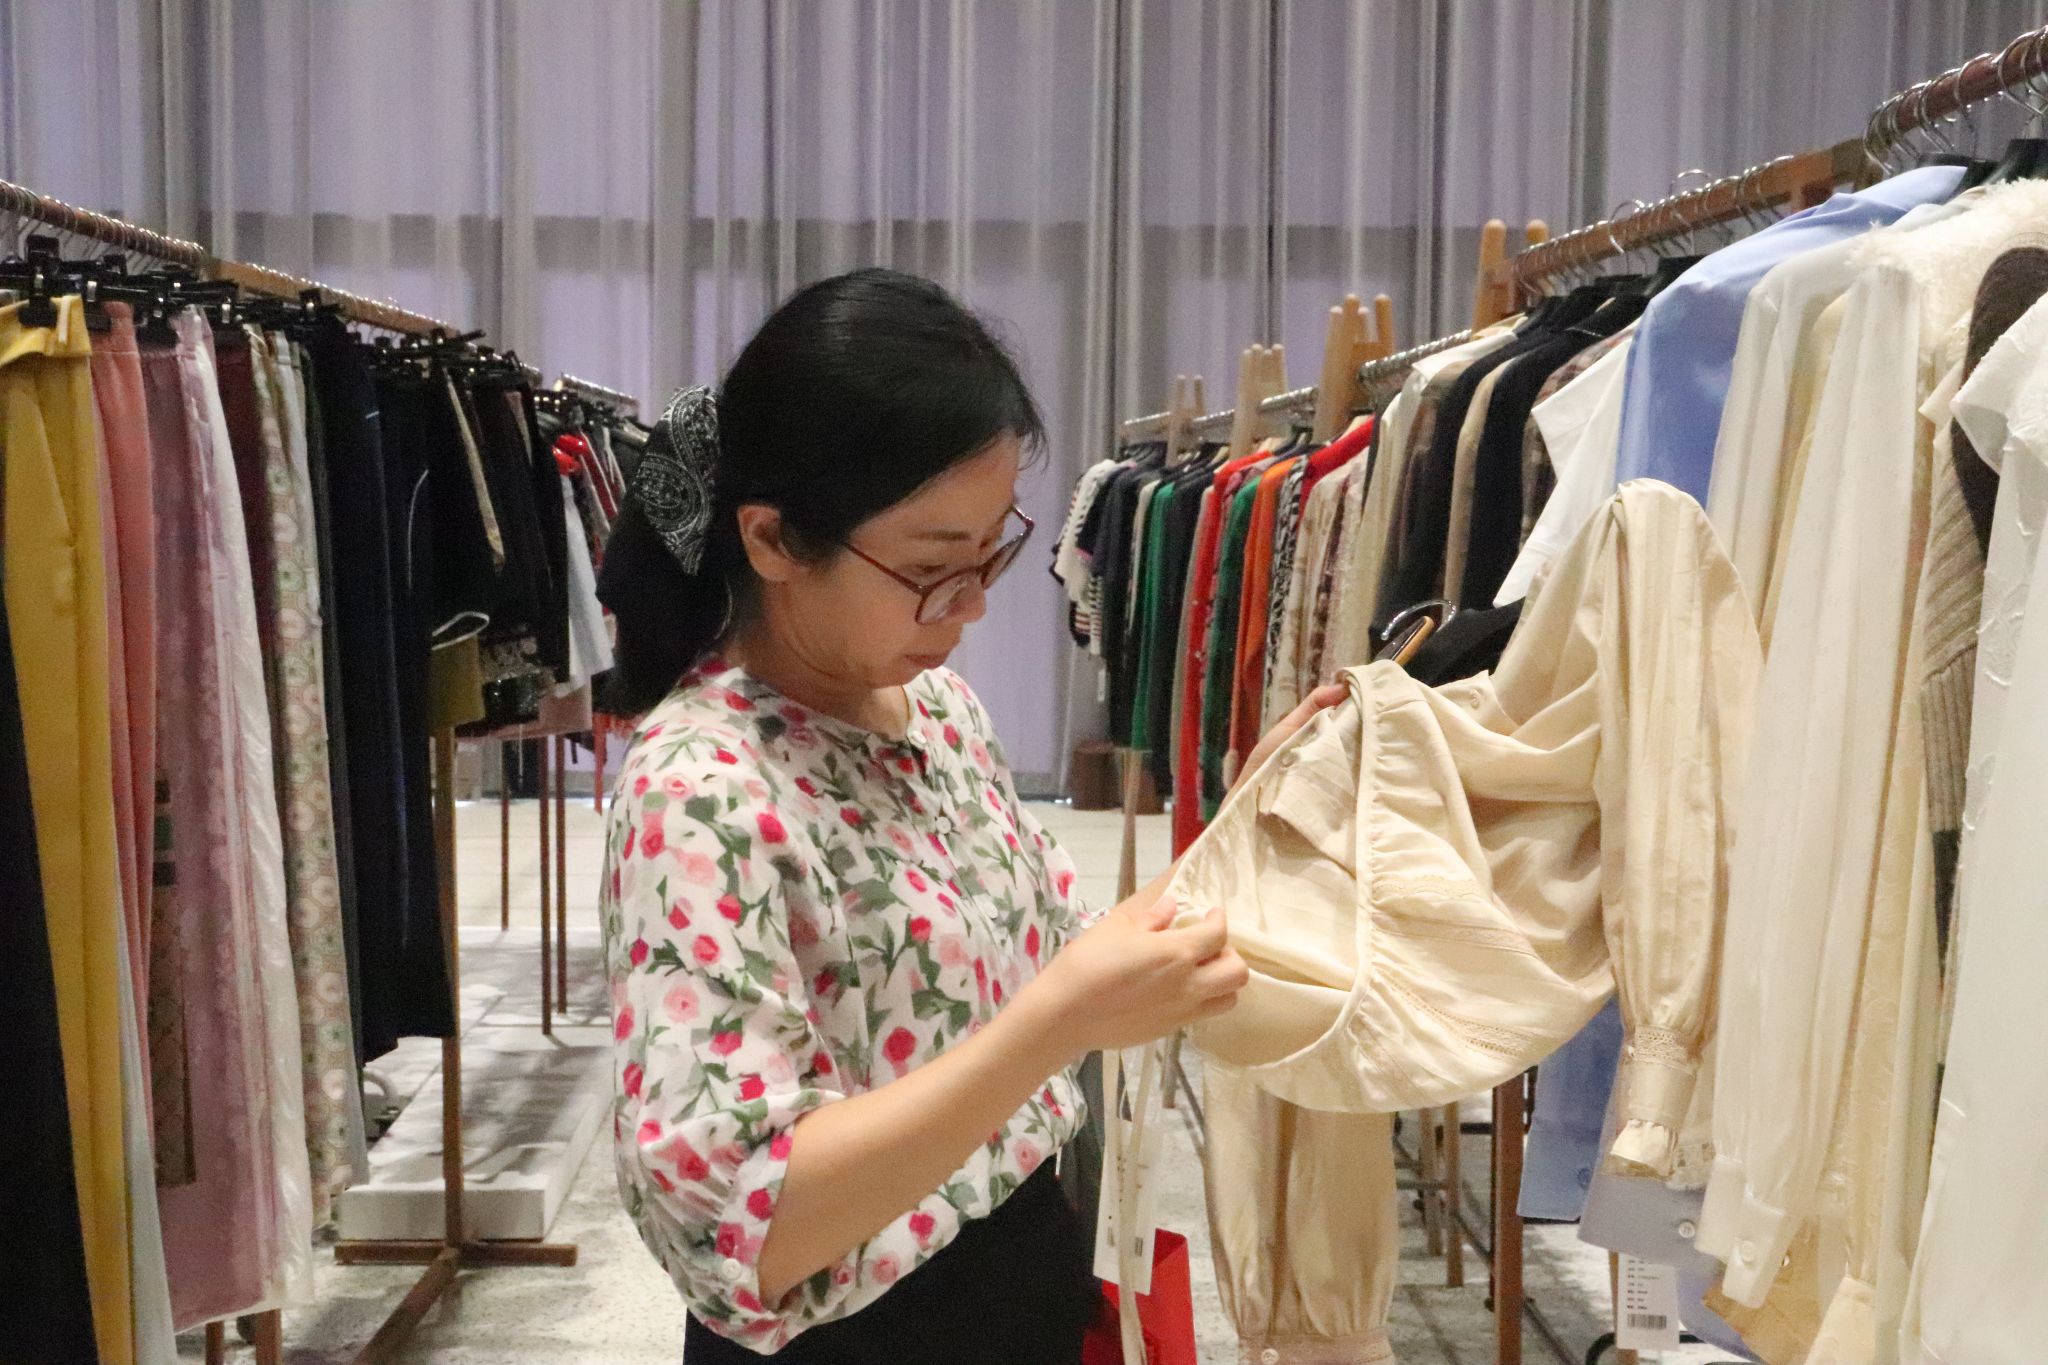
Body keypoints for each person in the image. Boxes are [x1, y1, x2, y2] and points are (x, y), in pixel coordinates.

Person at [595, 268, 1342, 1362]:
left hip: (1022, 1275)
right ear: (772, 540)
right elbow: (739, 1228)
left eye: (992, 550)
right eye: (931, 567)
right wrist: (1054, 1025)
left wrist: (1245, 824)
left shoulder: (934, 708)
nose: (974, 602)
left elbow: (1062, 949)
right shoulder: (701, 786)